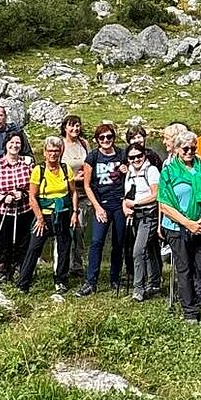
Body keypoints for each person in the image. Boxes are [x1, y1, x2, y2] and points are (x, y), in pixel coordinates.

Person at [159, 130, 201, 330]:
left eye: (192, 148)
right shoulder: (169, 172)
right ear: (177, 149)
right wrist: (188, 223)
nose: (189, 151)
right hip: (177, 229)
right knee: (185, 270)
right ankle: (190, 311)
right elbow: (164, 204)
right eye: (185, 148)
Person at [16, 137, 75, 293]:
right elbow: (32, 197)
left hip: (63, 213)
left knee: (64, 247)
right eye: (50, 151)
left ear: (60, 152)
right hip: (44, 215)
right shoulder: (39, 170)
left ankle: (61, 280)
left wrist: (75, 212)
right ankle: (23, 283)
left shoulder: (66, 169)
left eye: (56, 151)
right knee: (34, 247)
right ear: (44, 152)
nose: (53, 154)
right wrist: (40, 218)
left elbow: (73, 192)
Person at [78, 123, 127, 297]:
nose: (106, 140)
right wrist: (97, 207)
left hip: (120, 204)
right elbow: (87, 185)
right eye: (102, 137)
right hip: (102, 204)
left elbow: (132, 177)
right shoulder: (93, 157)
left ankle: (115, 279)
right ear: (97, 140)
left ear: (114, 137)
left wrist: (126, 170)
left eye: (109, 136)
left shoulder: (122, 154)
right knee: (97, 242)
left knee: (118, 243)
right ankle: (91, 282)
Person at [0, 131, 34, 283]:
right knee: (3, 241)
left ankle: (20, 267)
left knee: (23, 241)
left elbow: (34, 187)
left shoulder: (27, 163)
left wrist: (23, 194)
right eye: (11, 142)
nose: (15, 145)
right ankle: (2, 268)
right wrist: (2, 197)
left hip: (24, 210)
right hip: (3, 211)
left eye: (18, 143)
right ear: (6, 144)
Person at [123, 143, 161, 301]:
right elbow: (127, 195)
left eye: (139, 156)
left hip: (149, 215)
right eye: (132, 157)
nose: (136, 159)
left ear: (144, 155)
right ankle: (154, 283)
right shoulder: (130, 173)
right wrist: (126, 207)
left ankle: (138, 289)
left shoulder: (151, 170)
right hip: (135, 216)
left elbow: (156, 195)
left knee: (138, 251)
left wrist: (136, 203)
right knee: (150, 248)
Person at [60, 115, 91, 278]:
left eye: (77, 125)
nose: (75, 129)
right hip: (65, 194)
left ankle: (77, 266)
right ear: (65, 128)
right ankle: (62, 266)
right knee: (65, 231)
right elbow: (54, 169)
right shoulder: (60, 145)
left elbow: (91, 164)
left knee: (79, 230)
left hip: (83, 194)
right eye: (71, 126)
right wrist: (73, 178)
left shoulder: (84, 144)